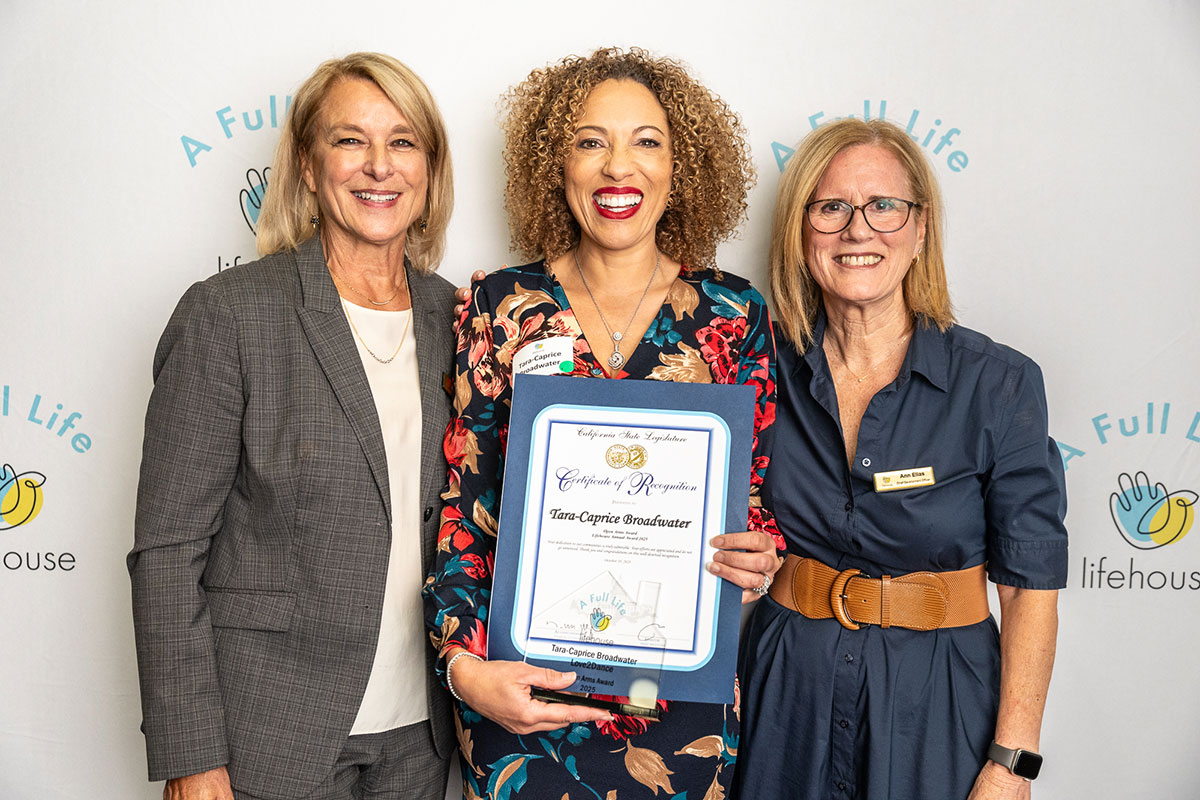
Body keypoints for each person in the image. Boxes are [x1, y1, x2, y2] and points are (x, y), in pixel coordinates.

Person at [422, 47, 782, 799]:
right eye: (591, 141)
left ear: (681, 168)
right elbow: (464, 507)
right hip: (521, 704)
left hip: (679, 710)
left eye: (647, 141)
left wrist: (759, 557)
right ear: (558, 165)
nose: (620, 166)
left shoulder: (734, 315)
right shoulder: (500, 305)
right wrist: (464, 670)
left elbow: (754, 505)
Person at [129, 52, 457, 800]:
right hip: (268, 735)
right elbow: (168, 550)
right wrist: (191, 754)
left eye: (404, 142)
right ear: (308, 167)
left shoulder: (458, 316)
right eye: (350, 141)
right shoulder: (228, 314)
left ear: (430, 171)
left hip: (423, 738)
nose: (379, 167)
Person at [735, 118, 1068, 800]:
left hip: (939, 707)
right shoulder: (757, 372)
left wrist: (1013, 762)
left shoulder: (999, 385)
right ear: (802, 232)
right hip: (785, 700)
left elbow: (1029, 586)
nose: (859, 230)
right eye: (831, 208)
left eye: (884, 206)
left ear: (920, 230)